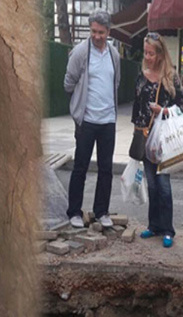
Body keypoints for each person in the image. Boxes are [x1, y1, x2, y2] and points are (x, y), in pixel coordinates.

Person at [64, 9, 120, 228]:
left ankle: (101, 211)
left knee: (106, 169)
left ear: (108, 31)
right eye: (93, 31)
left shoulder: (114, 55)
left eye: (101, 32)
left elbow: (116, 82)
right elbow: (69, 82)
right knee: (80, 167)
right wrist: (79, 103)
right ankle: (74, 212)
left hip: (108, 121)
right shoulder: (80, 52)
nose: (97, 36)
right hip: (86, 121)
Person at [132, 32, 183, 248]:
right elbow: (136, 106)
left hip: (164, 140)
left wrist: (162, 110)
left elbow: (182, 108)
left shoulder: (172, 77)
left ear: (161, 54)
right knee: (152, 185)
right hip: (145, 137)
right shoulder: (142, 75)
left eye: (151, 53)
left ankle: (168, 230)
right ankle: (153, 225)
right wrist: (137, 129)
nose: (147, 57)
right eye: (145, 53)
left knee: (164, 186)